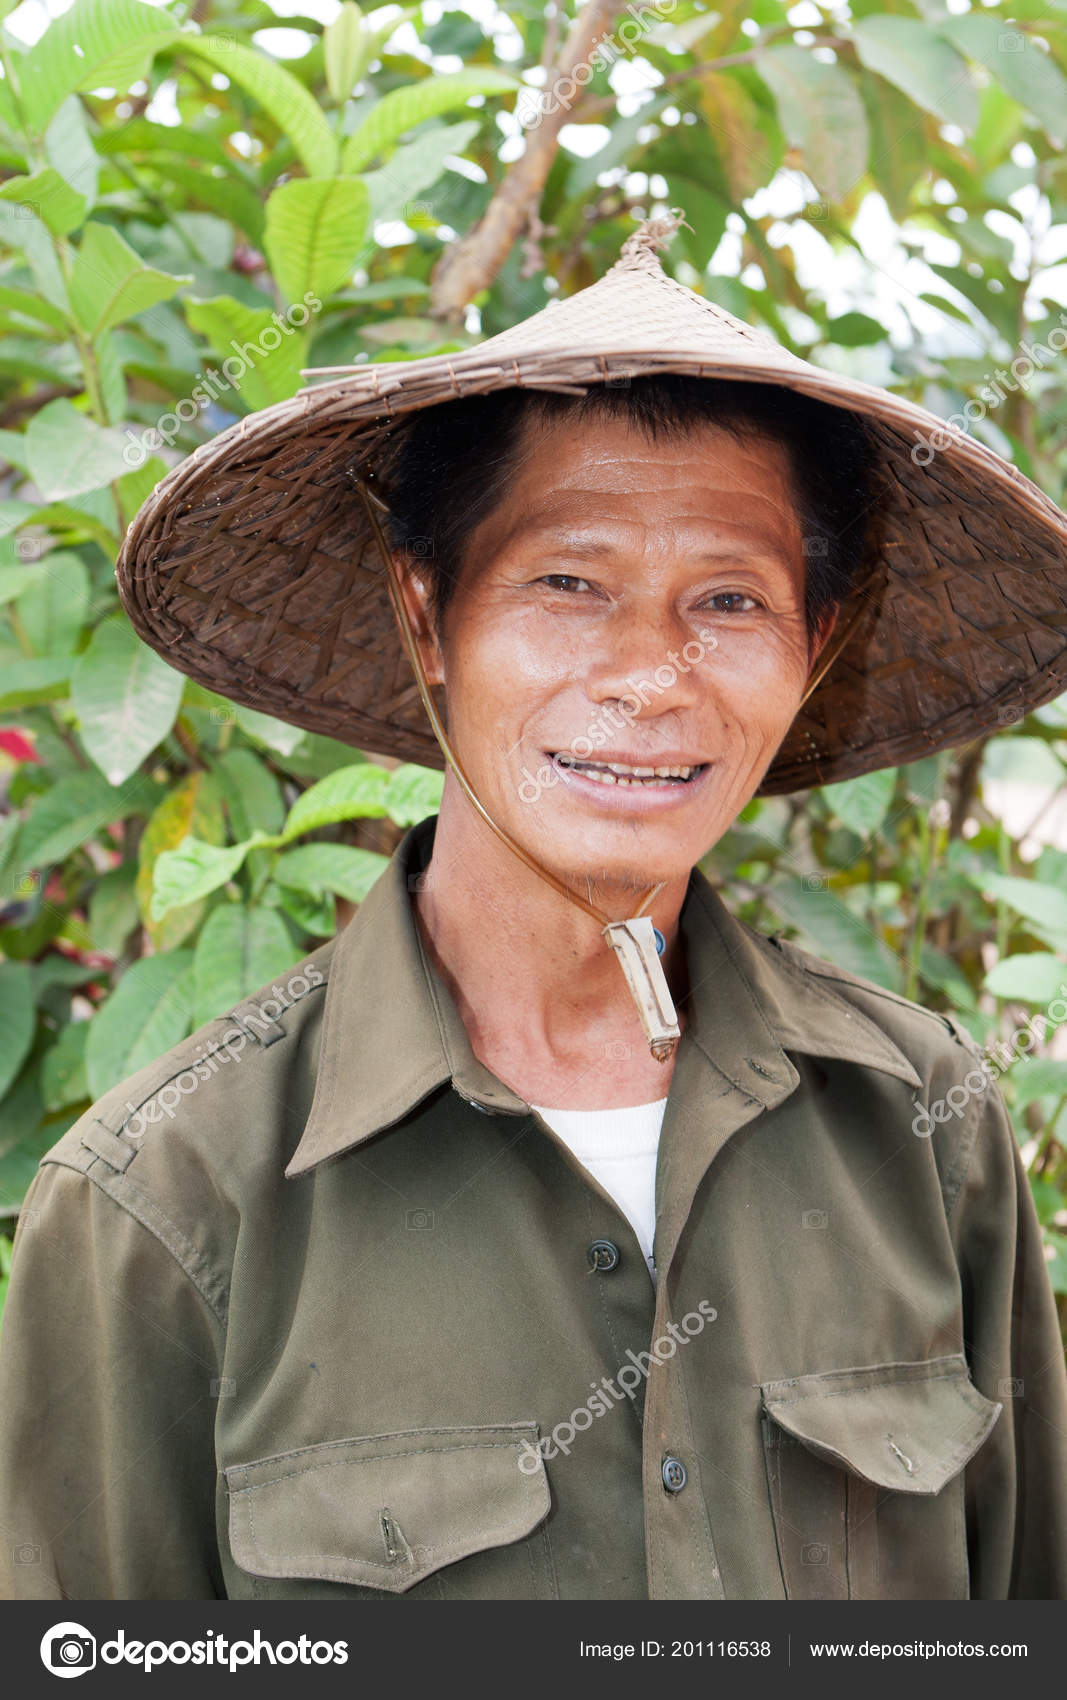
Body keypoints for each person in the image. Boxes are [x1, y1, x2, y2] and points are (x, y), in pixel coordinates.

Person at [1, 210, 1065, 1601]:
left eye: (731, 601)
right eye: (569, 584)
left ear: (820, 648)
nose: (648, 675)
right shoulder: (166, 1207)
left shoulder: (926, 1128)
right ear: (425, 618)